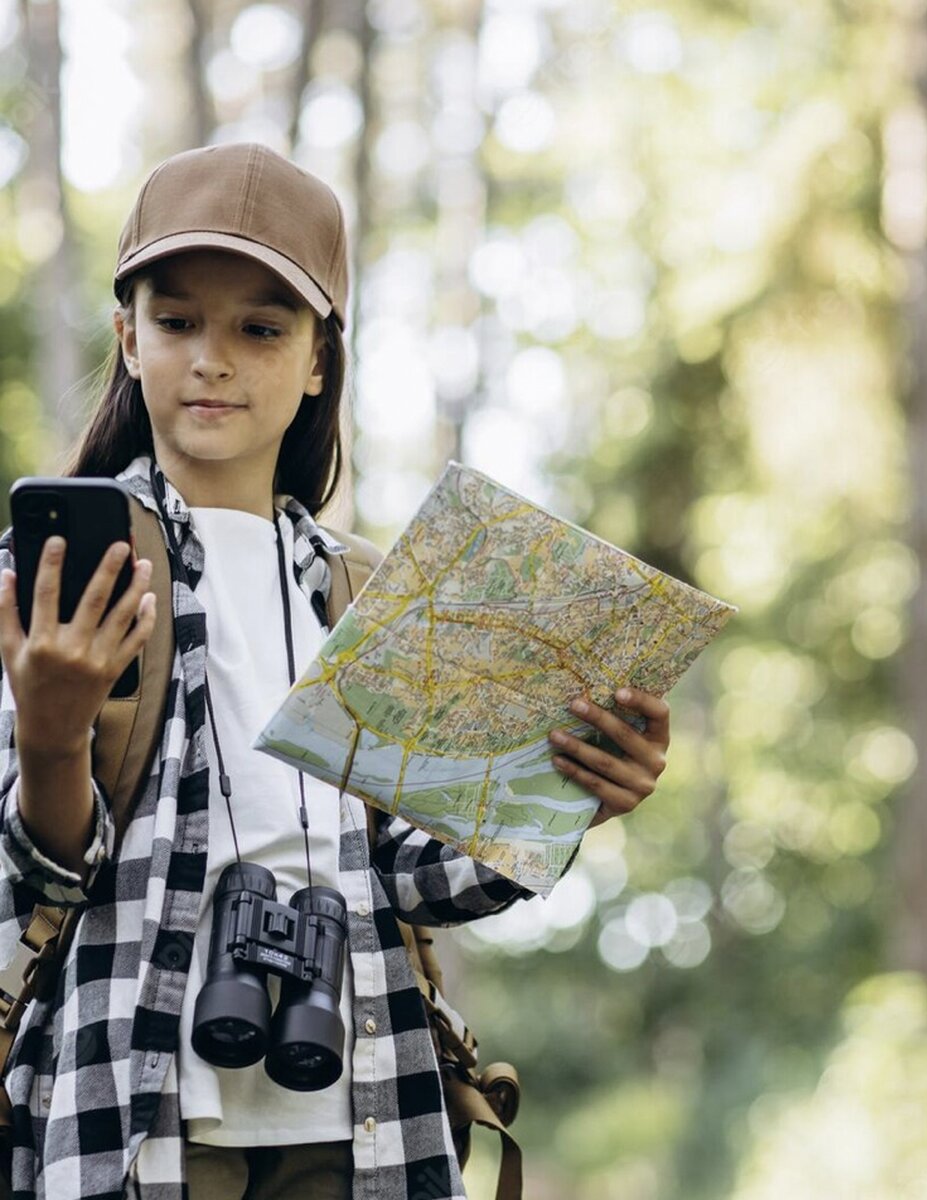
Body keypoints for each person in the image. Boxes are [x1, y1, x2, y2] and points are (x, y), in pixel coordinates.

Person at [0, 142, 672, 1200]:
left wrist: (573, 794)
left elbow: (413, 872)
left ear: (319, 360)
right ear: (127, 337)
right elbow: (33, 879)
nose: (212, 358)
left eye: (260, 329)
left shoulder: (368, 596)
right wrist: (49, 734)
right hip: (128, 1101)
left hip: (366, 1104)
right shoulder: (54, 577)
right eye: (177, 322)